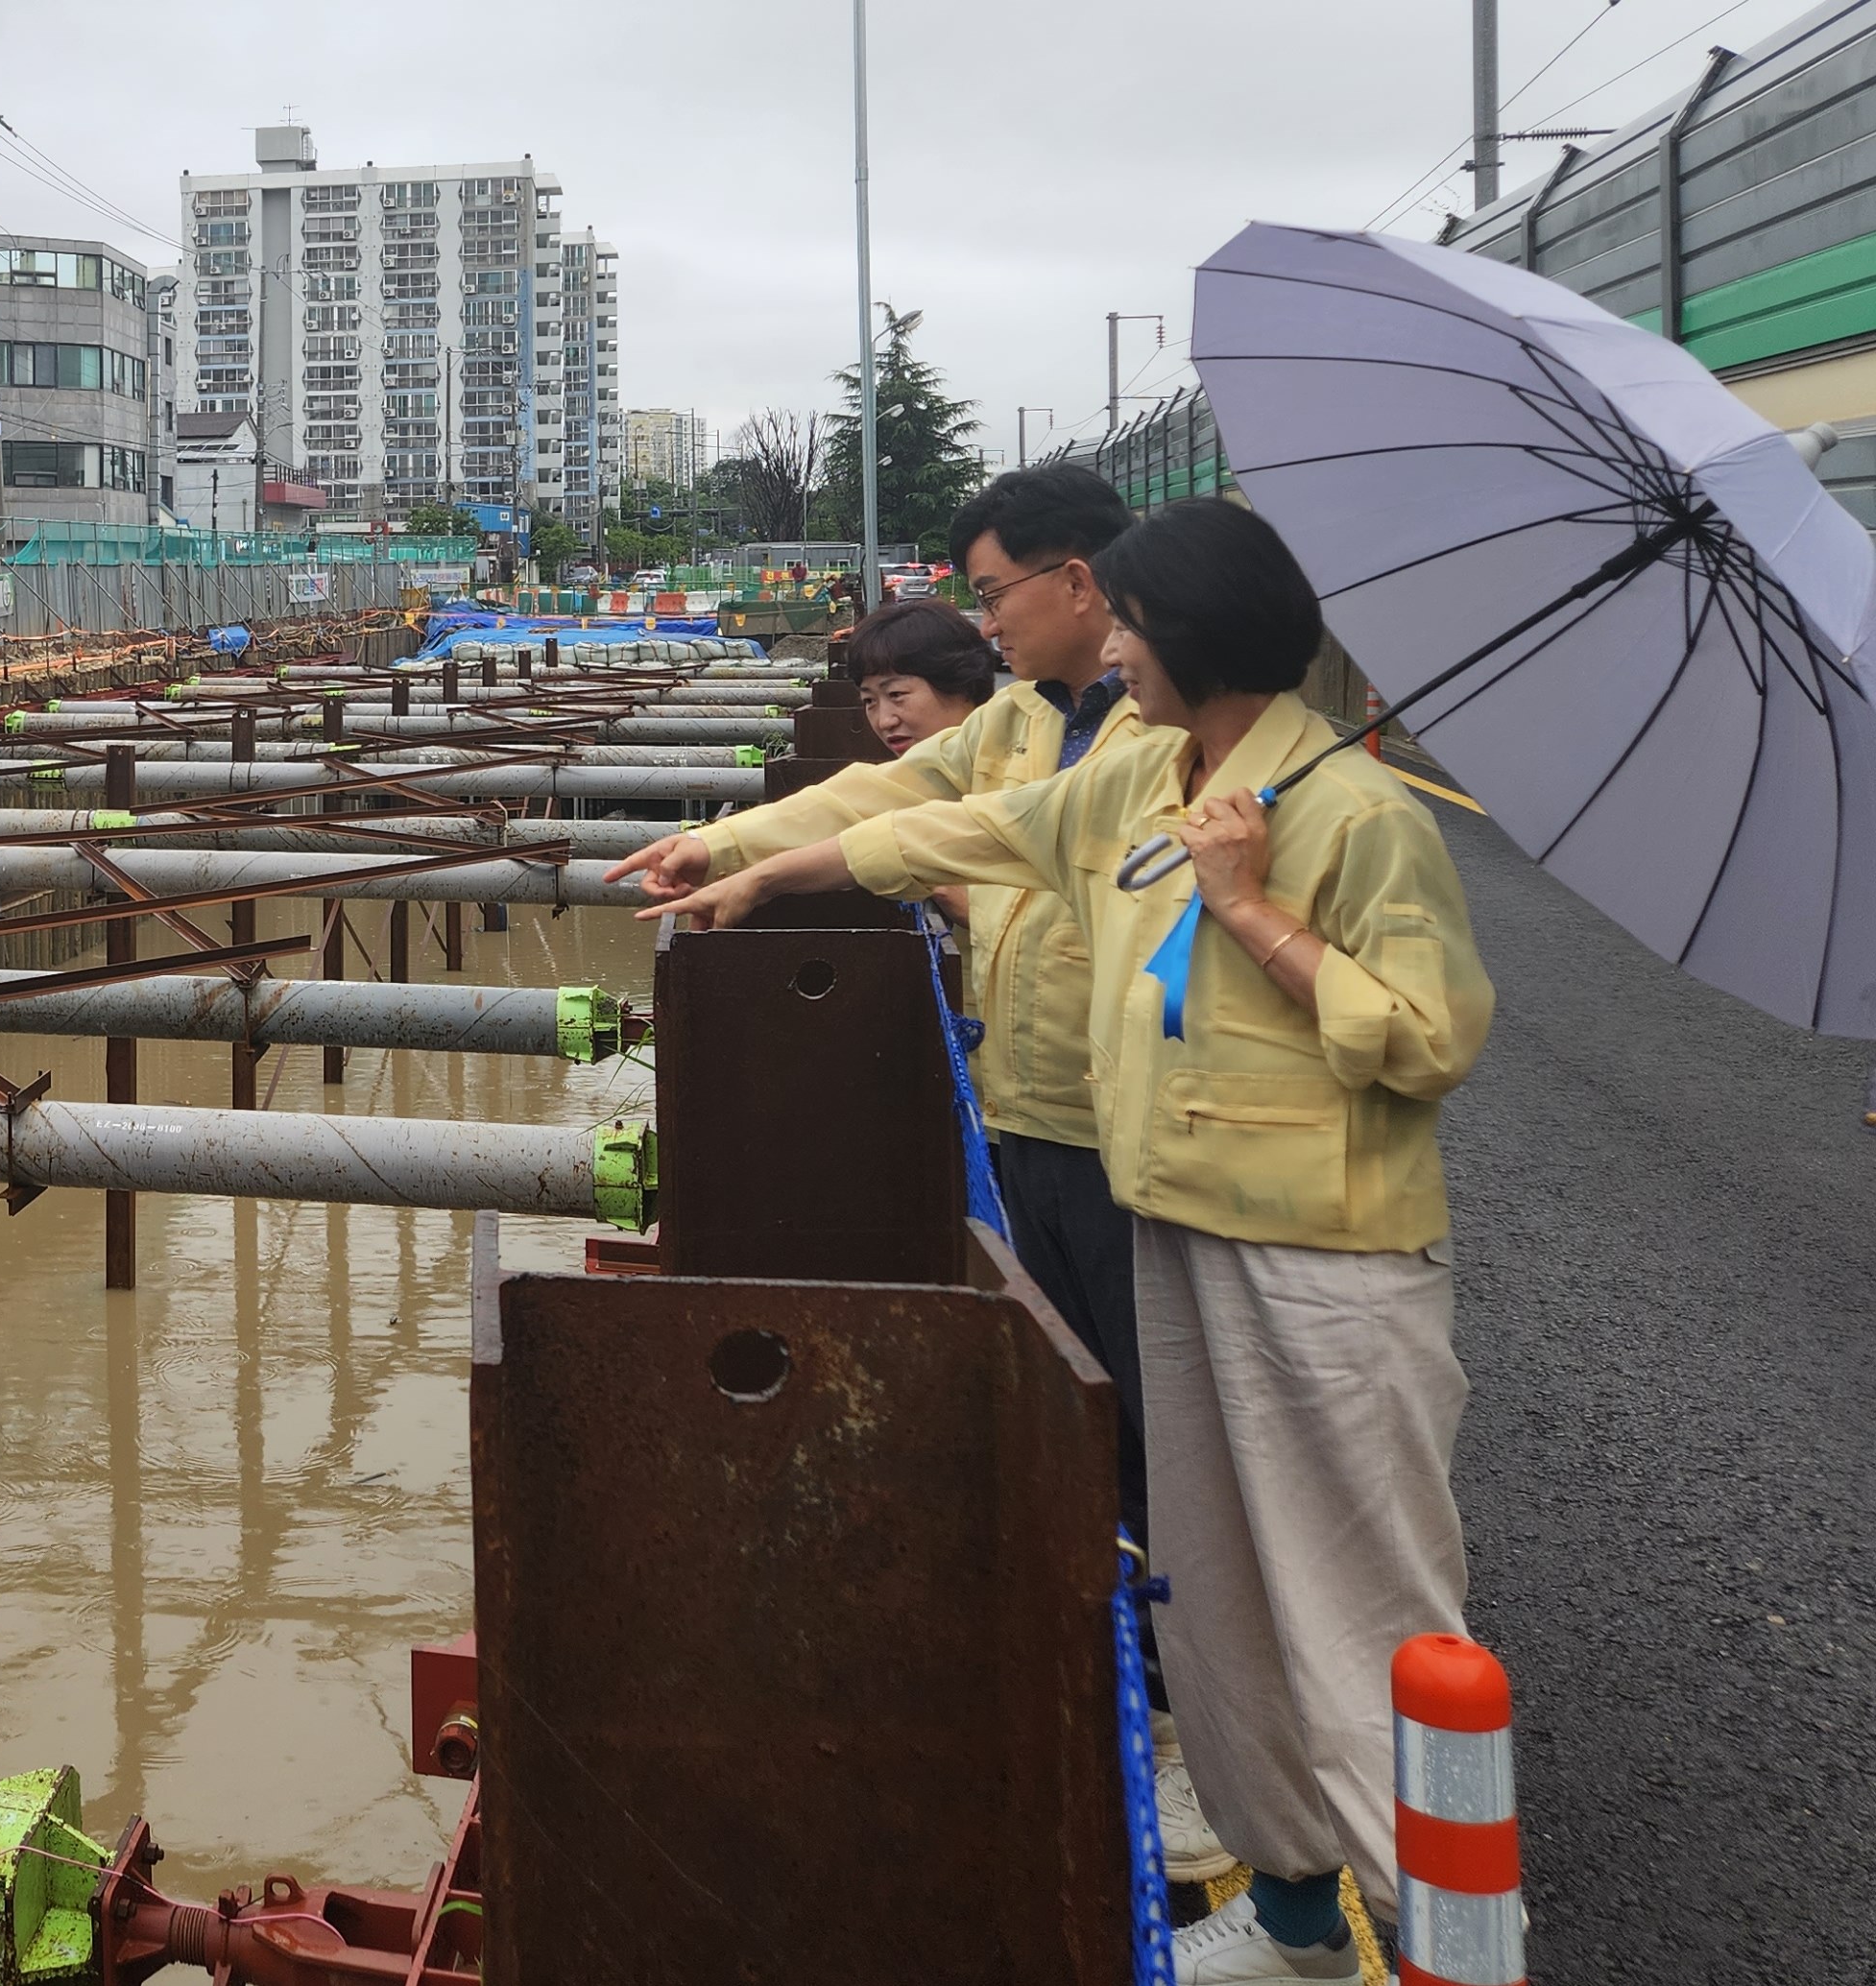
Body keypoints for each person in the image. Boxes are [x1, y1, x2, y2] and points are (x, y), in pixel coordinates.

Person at [643, 498, 1493, 1984]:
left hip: (1320, 1258)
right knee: (1219, 1584)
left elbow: (1424, 1041)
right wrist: (766, 867)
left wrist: (1247, 908)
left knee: (1357, 1602)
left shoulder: (1360, 817)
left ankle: (1456, 1942)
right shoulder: (1141, 770)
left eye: (1135, 625)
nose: (1114, 644)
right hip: (1172, 1217)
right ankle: (1299, 1919)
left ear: (1192, 632)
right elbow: (970, 822)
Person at [602, 466, 1216, 1877]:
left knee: (1175, 1424)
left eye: (996, 592)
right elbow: (891, 794)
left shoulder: (1163, 732)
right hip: (1032, 1112)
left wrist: (784, 871)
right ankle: (1138, 1673)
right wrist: (723, 848)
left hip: (1147, 1125)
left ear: (1081, 579)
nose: (986, 619)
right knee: (1091, 1409)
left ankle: (1204, 1723)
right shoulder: (1016, 720)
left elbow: (966, 839)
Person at [842, 596, 996, 754]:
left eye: (896, 694)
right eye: (869, 701)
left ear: (964, 686)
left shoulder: (1015, 772)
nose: (884, 722)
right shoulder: (898, 777)